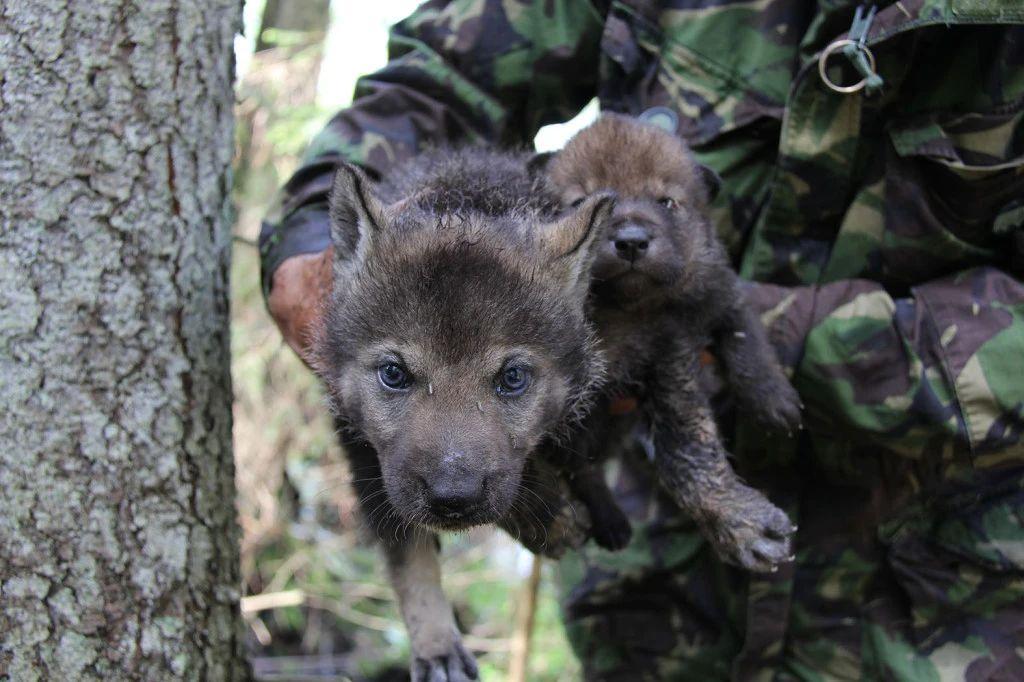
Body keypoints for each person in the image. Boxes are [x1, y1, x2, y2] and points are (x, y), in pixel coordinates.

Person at [259, 1, 1024, 679]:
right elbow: (445, 70)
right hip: (653, 600)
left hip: (947, 599)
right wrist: (307, 247)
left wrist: (744, 336)